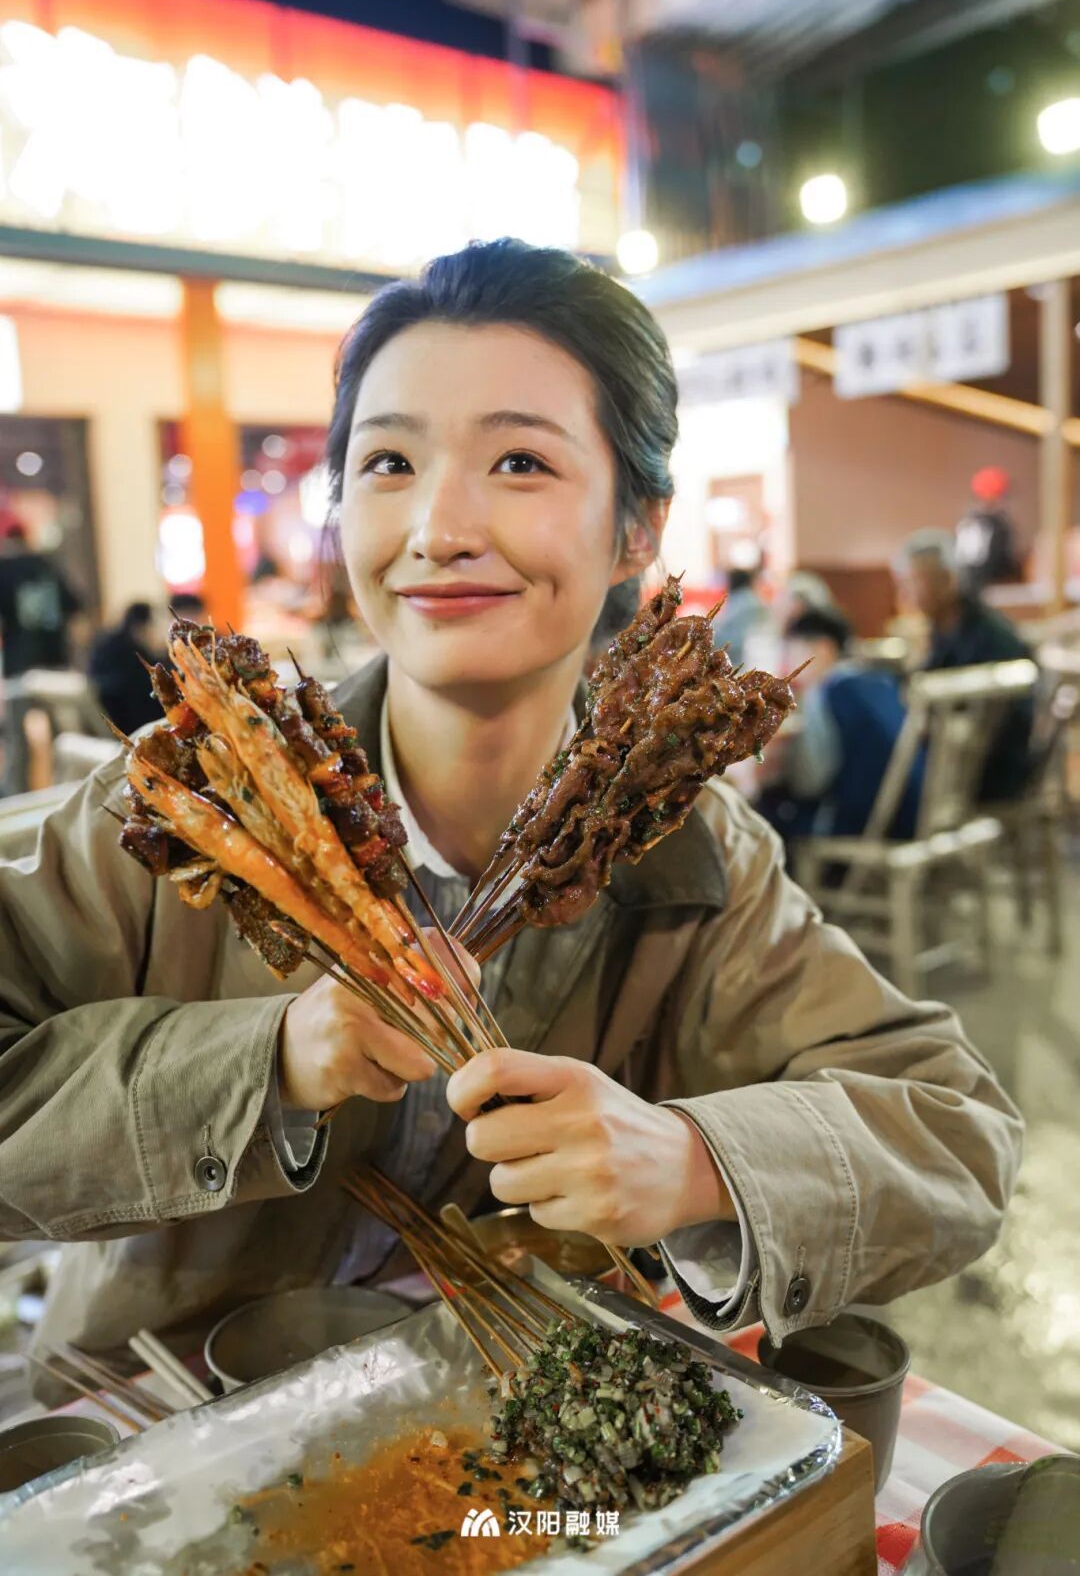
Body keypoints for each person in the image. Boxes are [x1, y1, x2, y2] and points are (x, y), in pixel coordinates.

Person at [0, 242, 1020, 1378]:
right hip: (158, 1414)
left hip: (490, 1426)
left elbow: (957, 1134)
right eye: (389, 461)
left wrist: (691, 1159)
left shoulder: (687, 853)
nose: (440, 526)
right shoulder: (198, 800)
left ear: (639, 527)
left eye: (521, 461)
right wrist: (271, 1057)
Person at [759, 607, 923, 843]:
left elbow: (810, 782)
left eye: (793, 652)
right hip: (911, 814)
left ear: (822, 649)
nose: (788, 666)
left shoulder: (828, 690)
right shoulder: (881, 680)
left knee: (767, 811)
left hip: (864, 826)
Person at [900, 529, 1033, 801]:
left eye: (916, 581)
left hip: (986, 772)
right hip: (953, 760)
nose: (908, 593)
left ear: (948, 580)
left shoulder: (991, 635)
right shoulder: (943, 628)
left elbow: (1006, 724)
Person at [0, 522, 82, 796]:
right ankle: (69, 791)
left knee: (17, 740)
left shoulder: (4, 569)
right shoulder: (47, 566)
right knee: (63, 736)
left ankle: (15, 796)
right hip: (54, 661)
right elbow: (74, 608)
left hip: (20, 668)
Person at [88, 602, 167, 739]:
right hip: (132, 728)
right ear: (142, 626)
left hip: (109, 721)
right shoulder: (133, 656)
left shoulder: (106, 644)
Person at [955, 467, 1020, 595]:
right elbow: (969, 563)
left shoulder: (1001, 523)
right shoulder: (974, 525)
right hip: (982, 589)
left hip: (999, 587)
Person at [710, 556, 776, 668]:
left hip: (741, 659)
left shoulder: (744, 601)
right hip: (748, 655)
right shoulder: (748, 599)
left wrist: (708, 637)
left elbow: (735, 636)